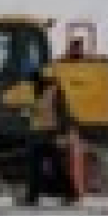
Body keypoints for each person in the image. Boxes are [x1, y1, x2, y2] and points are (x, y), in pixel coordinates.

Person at [23, 72, 82, 205]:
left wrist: (63, 133)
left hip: (51, 134)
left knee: (56, 166)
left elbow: (63, 112)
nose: (31, 87)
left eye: (33, 84)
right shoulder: (35, 93)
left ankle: (71, 194)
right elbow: (35, 112)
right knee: (34, 167)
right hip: (37, 134)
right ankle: (32, 197)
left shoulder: (53, 92)